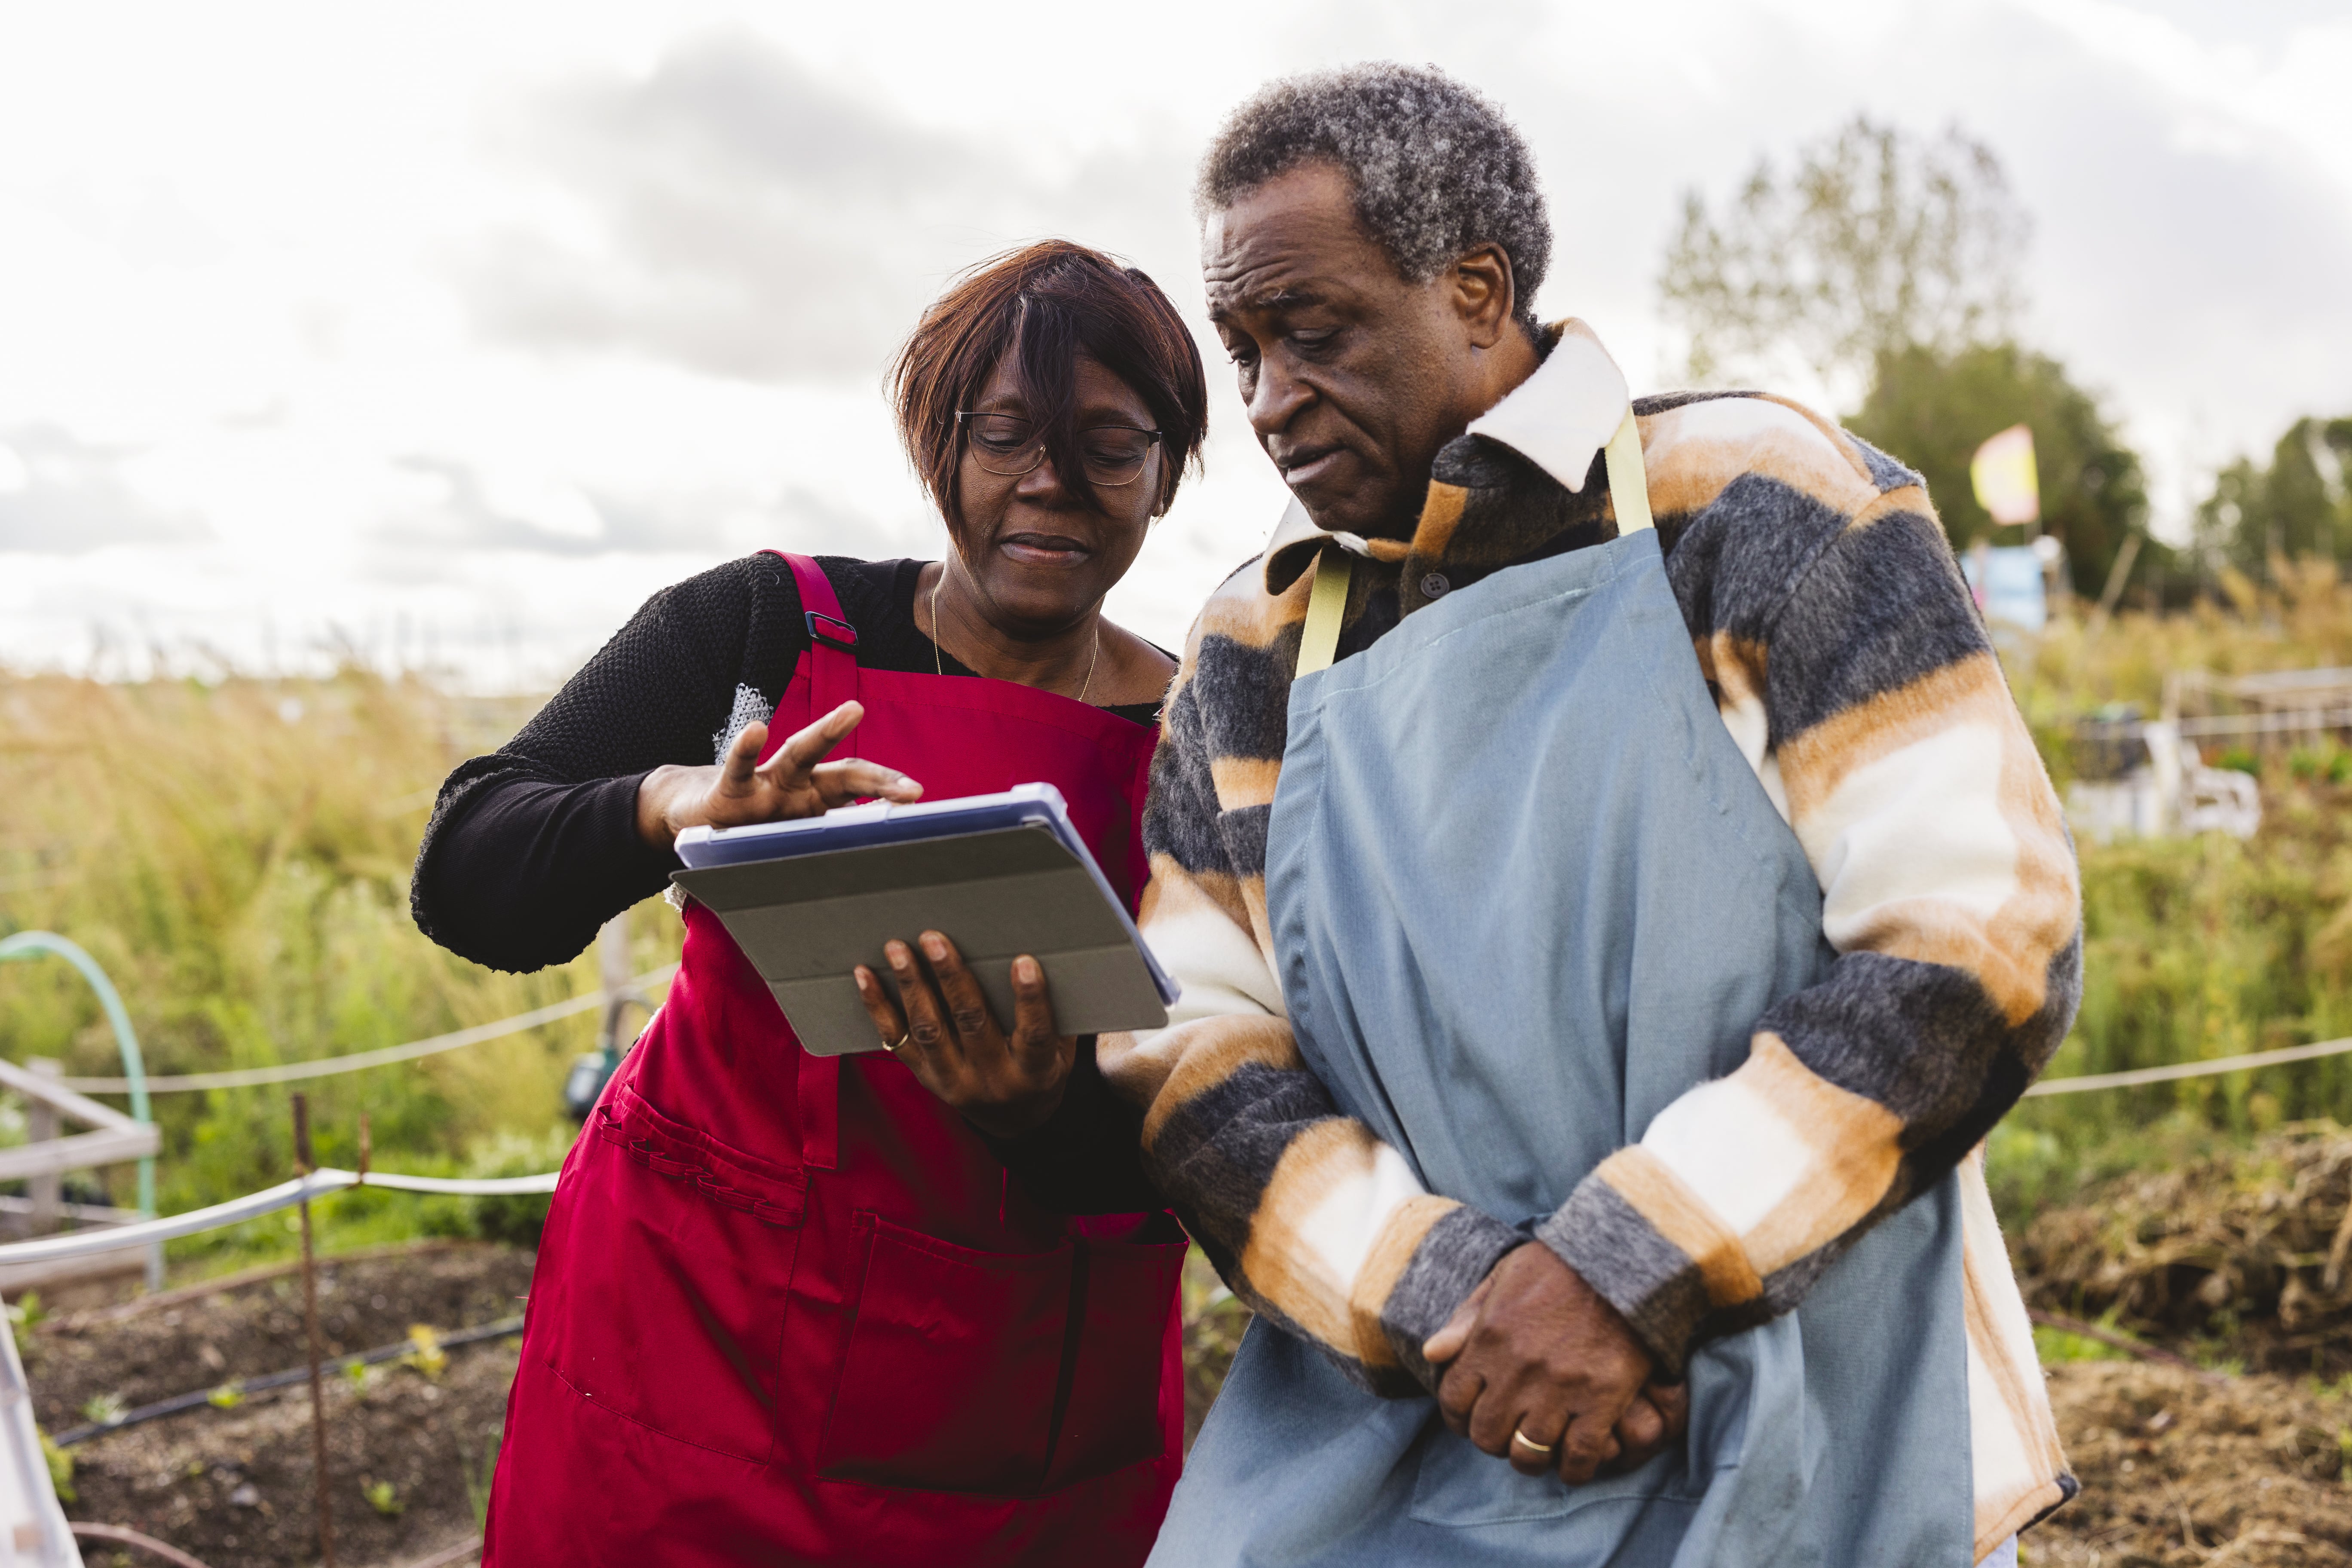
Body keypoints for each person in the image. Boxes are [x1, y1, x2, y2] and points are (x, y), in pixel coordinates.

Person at [898, 67, 2080, 1567]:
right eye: (1243, 350)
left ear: (1474, 290)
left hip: (1821, 1423)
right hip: (1406, 1433)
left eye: (1311, 336)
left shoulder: (1754, 503)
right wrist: (1457, 1297)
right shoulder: (1253, 650)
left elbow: (1979, 934)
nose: (1264, 404)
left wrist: (1622, 1270)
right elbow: (1195, 1048)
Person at [409, 239, 1208, 1567]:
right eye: (1004, 433)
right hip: (692, 1352)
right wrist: (666, 806)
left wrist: (1044, 1116)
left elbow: (1217, 1113)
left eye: (1110, 447)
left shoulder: (1202, 735)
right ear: (936, 445)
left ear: (1166, 477)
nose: (1051, 484)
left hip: (1022, 1414)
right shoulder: (764, 635)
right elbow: (468, 881)